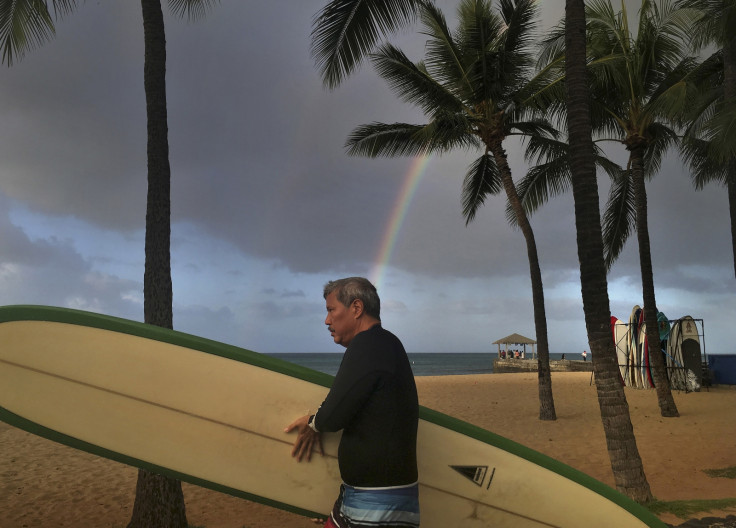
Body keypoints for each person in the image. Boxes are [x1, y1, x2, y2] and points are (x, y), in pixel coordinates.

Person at [285, 277, 420, 528]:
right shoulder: (387, 344)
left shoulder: (367, 345)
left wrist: (314, 424)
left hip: (377, 501)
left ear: (356, 308)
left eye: (331, 310)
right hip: (368, 495)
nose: (327, 321)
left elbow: (335, 413)